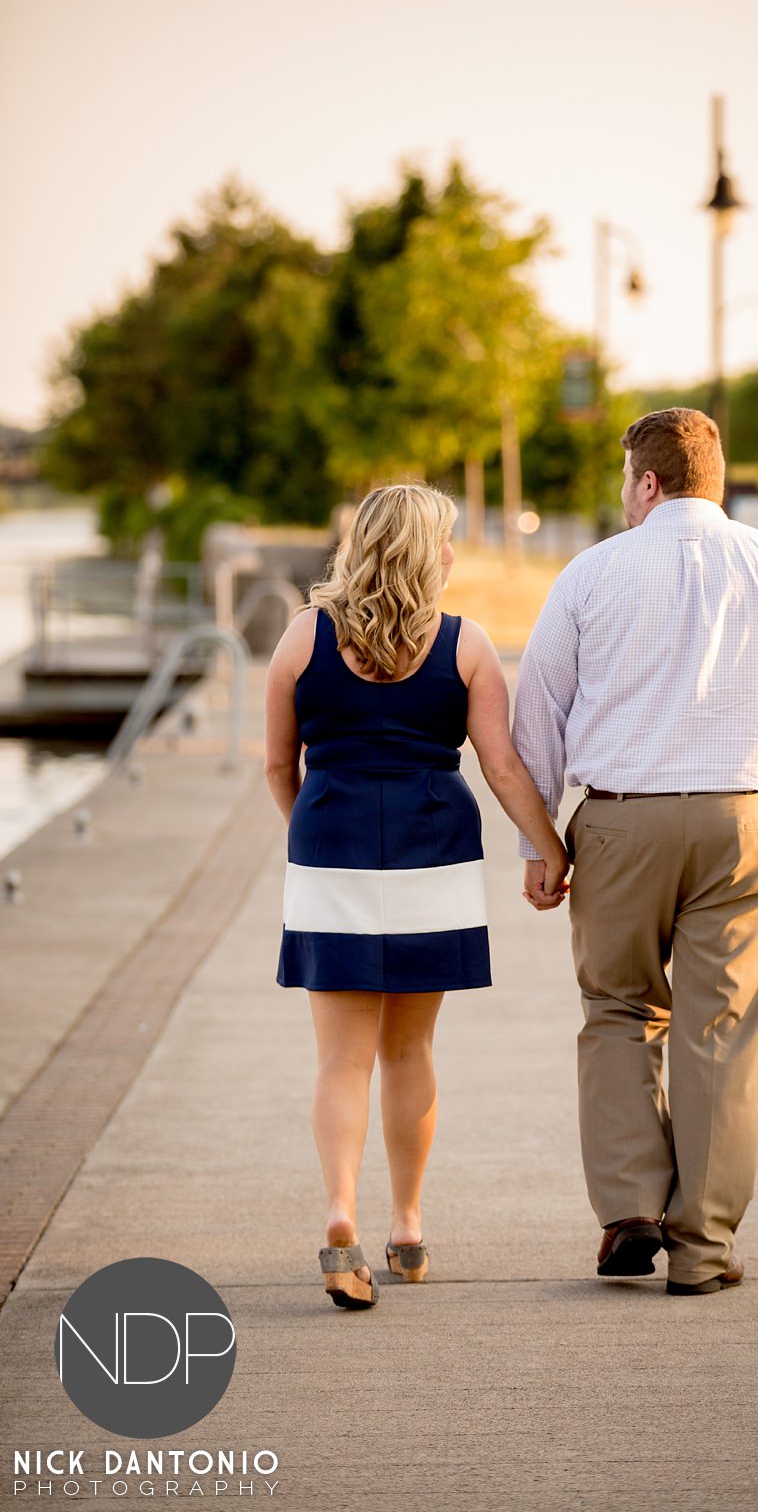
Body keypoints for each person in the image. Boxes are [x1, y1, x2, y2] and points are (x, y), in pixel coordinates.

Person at [512, 407, 758, 1297]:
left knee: (617, 1009)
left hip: (619, 823)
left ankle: (632, 1209)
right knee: (719, 1034)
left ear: (647, 483)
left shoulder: (591, 573)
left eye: (625, 486)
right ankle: (704, 1248)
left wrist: (540, 840)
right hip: (749, 823)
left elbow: (537, 717)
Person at [265, 483, 569, 1310]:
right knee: (410, 1051)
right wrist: (550, 845)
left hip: (331, 852)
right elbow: (502, 766)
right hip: (434, 855)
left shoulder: (302, 637)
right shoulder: (466, 645)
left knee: (340, 1057)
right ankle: (404, 1224)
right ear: (432, 551)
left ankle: (339, 1213)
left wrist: (318, 839)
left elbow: (275, 765)